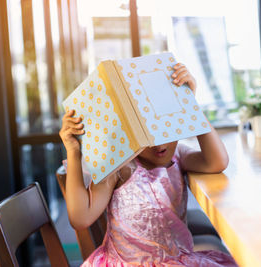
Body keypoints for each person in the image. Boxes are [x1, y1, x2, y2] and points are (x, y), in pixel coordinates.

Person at [60, 63, 237, 266]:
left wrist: (189, 106)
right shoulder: (119, 167)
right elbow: (80, 219)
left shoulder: (178, 155)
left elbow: (218, 161)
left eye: (164, 131)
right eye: (147, 136)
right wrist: (73, 152)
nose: (159, 144)